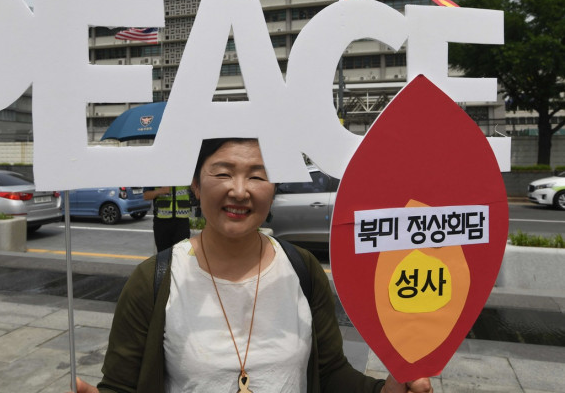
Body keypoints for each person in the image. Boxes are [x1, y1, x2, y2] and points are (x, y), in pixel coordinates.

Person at [73, 138, 432, 393]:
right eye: (223, 173)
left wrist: (387, 390)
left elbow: (330, 372)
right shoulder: (154, 280)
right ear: (196, 185)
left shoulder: (302, 269)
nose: (240, 191)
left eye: (258, 176)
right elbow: (122, 384)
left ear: (273, 188)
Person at [143, 185, 192, 251]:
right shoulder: (155, 174)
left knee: (181, 257)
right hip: (162, 223)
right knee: (163, 257)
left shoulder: (186, 175)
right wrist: (159, 191)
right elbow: (146, 196)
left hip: (182, 223)